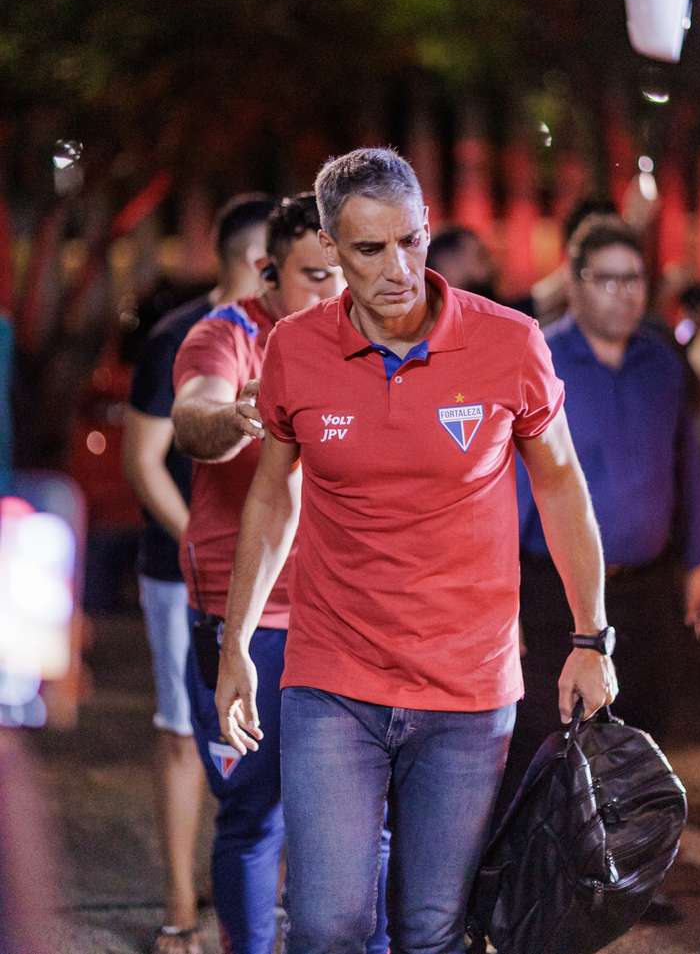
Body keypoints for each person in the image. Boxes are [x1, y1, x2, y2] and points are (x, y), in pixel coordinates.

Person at [214, 147, 618, 954]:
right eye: (370, 249)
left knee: (430, 931)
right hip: (334, 678)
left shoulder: (508, 342)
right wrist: (237, 643)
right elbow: (273, 496)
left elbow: (561, 485)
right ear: (330, 247)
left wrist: (591, 637)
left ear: (428, 228)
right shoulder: (296, 348)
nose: (398, 268)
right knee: (327, 923)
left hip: (467, 688)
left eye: (410, 240)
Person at [173, 194, 389, 954]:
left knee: (366, 819)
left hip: (344, 615)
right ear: (268, 272)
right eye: (316, 276)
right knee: (252, 813)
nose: (335, 292)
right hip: (247, 616)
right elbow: (193, 419)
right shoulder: (226, 334)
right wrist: (236, 415)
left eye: (343, 273)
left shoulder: (366, 337)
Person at [514, 214, 700, 921]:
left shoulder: (663, 365)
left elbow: (686, 467)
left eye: (634, 278)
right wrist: (502, 593)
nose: (625, 293)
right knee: (552, 735)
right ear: (574, 284)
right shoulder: (541, 358)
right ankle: (548, 888)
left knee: (641, 732)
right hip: (553, 587)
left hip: (644, 583)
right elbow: (506, 481)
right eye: (607, 278)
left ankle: (631, 884)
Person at [122, 193, 275, 954]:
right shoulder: (183, 337)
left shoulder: (299, 333)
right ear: (261, 261)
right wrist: (205, 546)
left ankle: (249, 886)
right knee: (186, 731)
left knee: (263, 741)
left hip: (270, 573)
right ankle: (181, 904)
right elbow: (144, 459)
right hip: (181, 568)